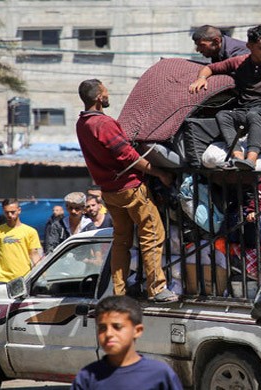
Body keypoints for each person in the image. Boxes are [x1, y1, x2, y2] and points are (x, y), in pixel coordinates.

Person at [76, 79, 178, 303]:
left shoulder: (82, 124)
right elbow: (128, 156)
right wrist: (158, 172)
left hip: (109, 191)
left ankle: (119, 291)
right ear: (98, 98)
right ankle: (157, 288)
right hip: (130, 188)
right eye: (105, 91)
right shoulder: (104, 124)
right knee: (152, 234)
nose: (108, 94)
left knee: (121, 241)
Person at [189, 25, 261, 171]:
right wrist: (201, 78)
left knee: (254, 114)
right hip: (246, 108)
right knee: (223, 115)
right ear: (249, 46)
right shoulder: (239, 62)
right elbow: (211, 68)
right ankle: (237, 157)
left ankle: (251, 159)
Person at [71, 295, 184, 390]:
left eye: (117, 327)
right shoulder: (87, 377)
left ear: (137, 331)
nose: (109, 334)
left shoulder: (160, 374)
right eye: (102, 328)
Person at [0, 199, 43, 286]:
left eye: (13, 212)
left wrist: (42, 274)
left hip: (23, 278)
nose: (9, 215)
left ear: (19, 210)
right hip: (1, 279)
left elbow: (34, 254)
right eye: (6, 212)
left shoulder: (30, 231)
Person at [191, 25, 261, 65]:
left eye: (202, 45)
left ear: (216, 41)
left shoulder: (236, 54)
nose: (198, 50)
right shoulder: (218, 53)